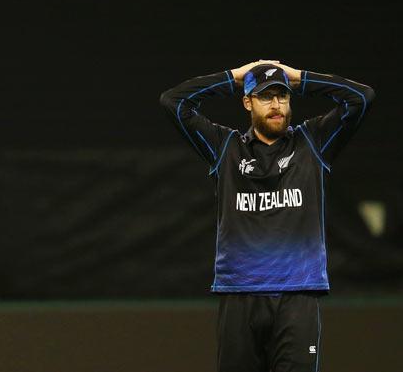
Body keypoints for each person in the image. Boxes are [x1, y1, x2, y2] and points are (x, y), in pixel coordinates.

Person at [160, 60, 375, 372]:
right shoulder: (226, 147)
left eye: (283, 96)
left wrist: (298, 77)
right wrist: (234, 76)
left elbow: (362, 97)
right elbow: (173, 102)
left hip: (297, 296)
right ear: (247, 102)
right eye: (265, 96)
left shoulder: (311, 142)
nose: (277, 105)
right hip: (240, 297)